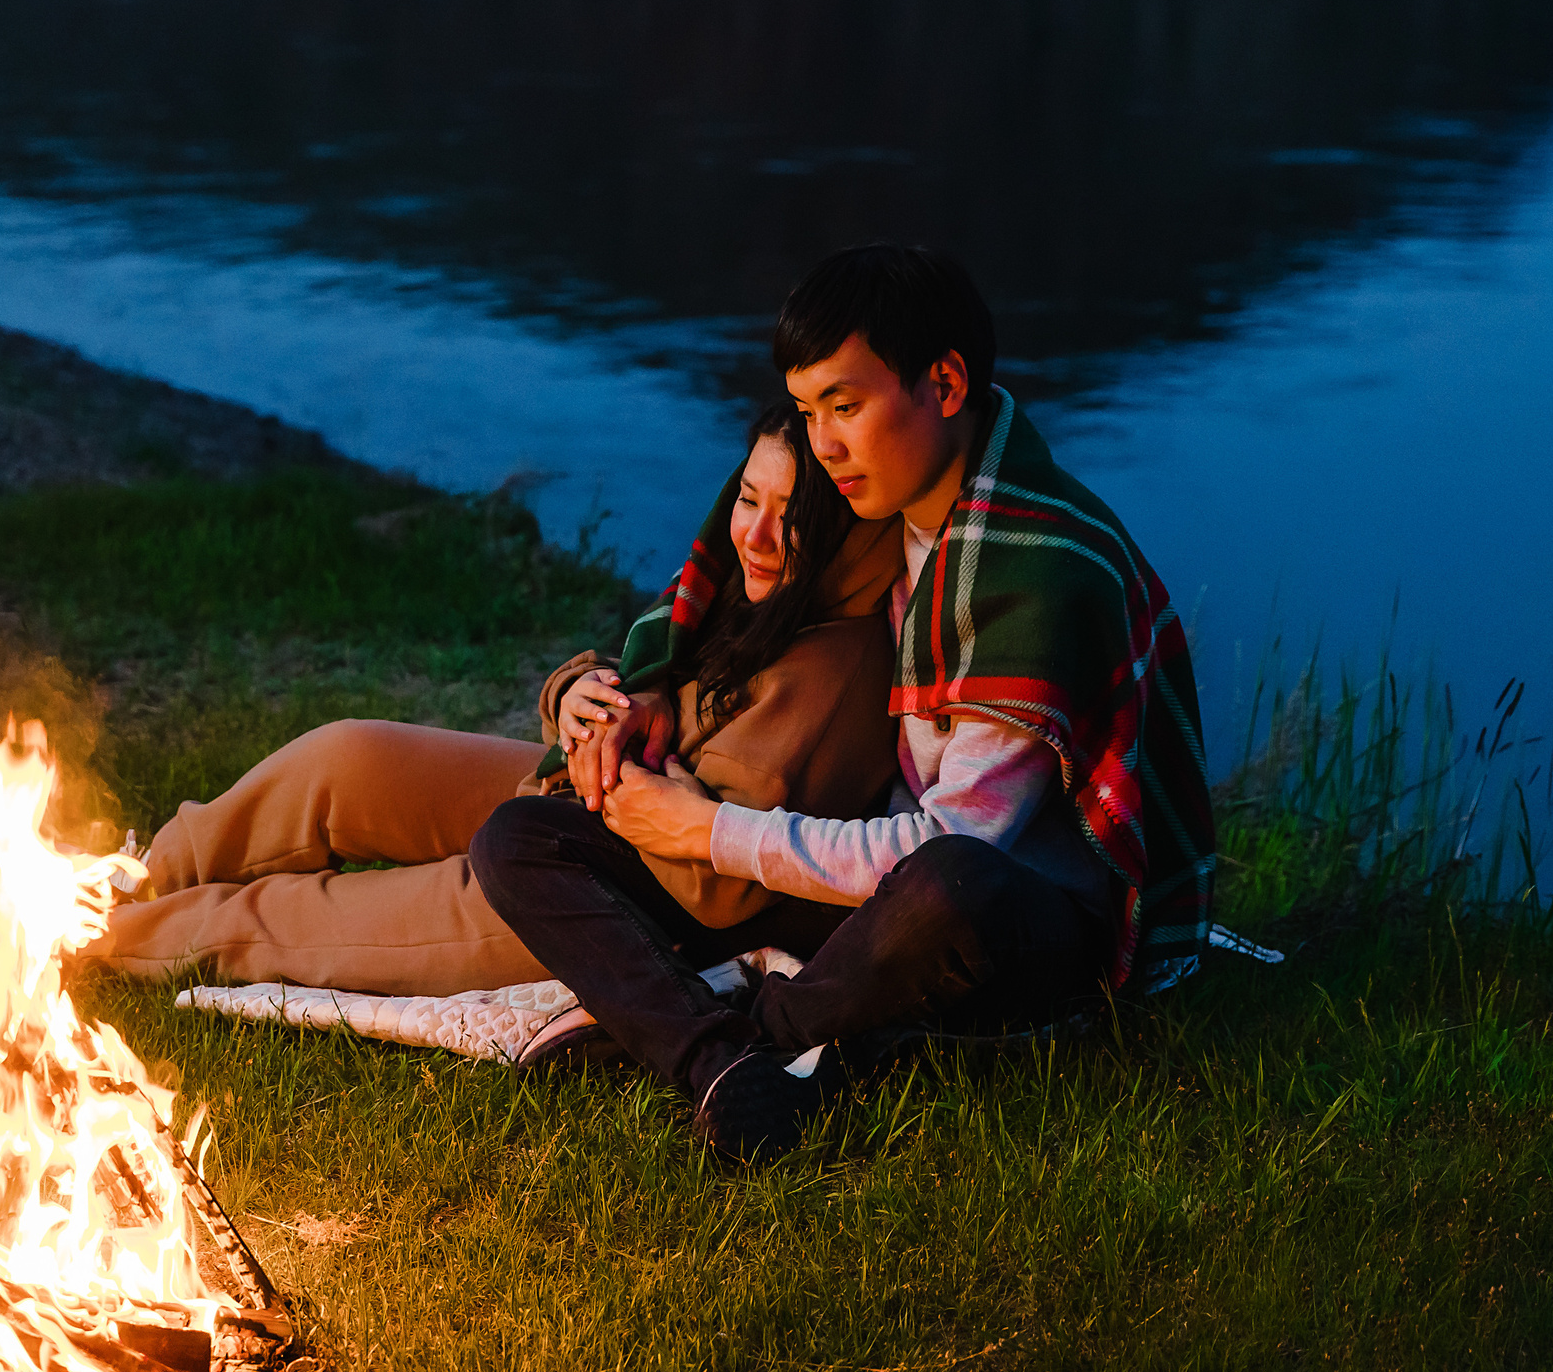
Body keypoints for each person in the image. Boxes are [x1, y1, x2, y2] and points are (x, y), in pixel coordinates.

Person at [469, 242, 1218, 1164]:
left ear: (944, 384)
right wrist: (641, 690)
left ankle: (749, 1028)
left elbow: (958, 844)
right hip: (880, 893)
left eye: (847, 405)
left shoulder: (1036, 569)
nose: (824, 444)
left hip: (1014, 924)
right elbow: (723, 573)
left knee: (950, 885)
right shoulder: (889, 516)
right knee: (517, 839)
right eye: (809, 409)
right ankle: (719, 1065)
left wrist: (707, 832)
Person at [0, 405, 906, 999]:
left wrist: (620, 767)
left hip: (623, 902)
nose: (756, 536)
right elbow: (626, 683)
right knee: (343, 758)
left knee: (278, 923)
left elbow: (722, 886)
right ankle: (123, 874)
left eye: (791, 516)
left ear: (847, 526)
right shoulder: (739, 596)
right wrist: (578, 699)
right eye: (750, 501)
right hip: (575, 807)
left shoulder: (840, 670)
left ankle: (30, 925)